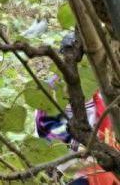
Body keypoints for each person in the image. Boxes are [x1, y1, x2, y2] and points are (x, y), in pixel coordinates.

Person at [35, 34, 120, 185]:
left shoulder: (102, 87)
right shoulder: (52, 91)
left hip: (103, 165)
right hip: (76, 169)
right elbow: (47, 134)